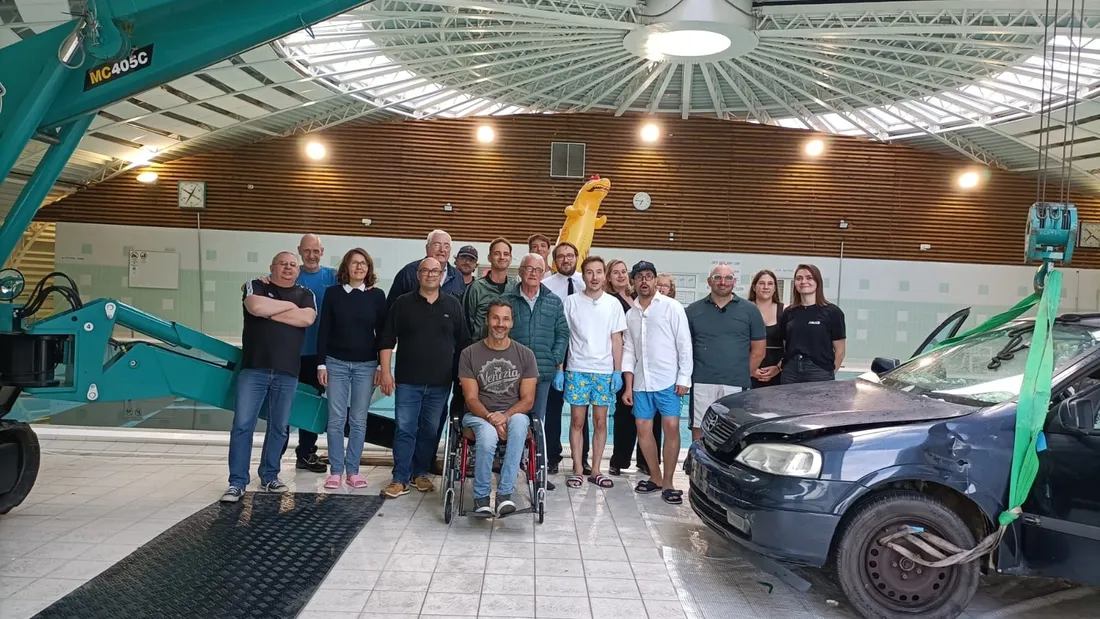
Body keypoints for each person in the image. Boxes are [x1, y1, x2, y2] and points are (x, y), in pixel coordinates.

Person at [222, 252, 317, 503]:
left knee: (279, 426)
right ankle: (237, 482)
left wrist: (269, 311)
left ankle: (270, 475)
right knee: (243, 425)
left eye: (292, 265)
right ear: (272, 267)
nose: (288, 268)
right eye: (283, 264)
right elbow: (255, 306)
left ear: (298, 271)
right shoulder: (256, 285)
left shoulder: (306, 294)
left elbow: (307, 318)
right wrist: (288, 309)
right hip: (255, 368)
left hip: (287, 371)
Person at [377, 257, 468, 498]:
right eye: (425, 270)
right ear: (418, 275)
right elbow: (386, 339)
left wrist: (462, 379)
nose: (430, 274)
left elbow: (463, 345)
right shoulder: (402, 304)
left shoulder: (453, 305)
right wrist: (386, 372)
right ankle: (400, 478)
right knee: (405, 429)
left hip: (440, 382)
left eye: (435, 271)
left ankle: (420, 473)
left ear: (442, 275)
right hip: (408, 380)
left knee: (429, 430)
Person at [458, 301, 539, 516]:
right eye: (495, 318)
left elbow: (528, 399)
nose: (499, 324)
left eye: (505, 319)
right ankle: (481, 498)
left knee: (521, 422)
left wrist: (505, 416)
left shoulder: (525, 355)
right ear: (487, 320)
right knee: (486, 435)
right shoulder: (469, 354)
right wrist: (491, 418)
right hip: (479, 415)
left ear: (511, 322)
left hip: (512, 414)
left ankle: (505, 495)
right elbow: (471, 398)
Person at [622, 260, 692, 505]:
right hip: (642, 382)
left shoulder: (672, 307)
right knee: (643, 429)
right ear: (634, 281)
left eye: (648, 276)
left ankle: (670, 481)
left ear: (654, 280)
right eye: (639, 276)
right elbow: (629, 351)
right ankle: (656, 476)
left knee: (671, 426)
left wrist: (684, 378)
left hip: (668, 380)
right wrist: (628, 385)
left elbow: (684, 344)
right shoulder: (631, 314)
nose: (644, 281)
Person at [316, 248, 387, 490]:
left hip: (366, 366)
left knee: (358, 419)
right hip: (335, 362)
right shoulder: (333, 294)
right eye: (355, 263)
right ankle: (336, 471)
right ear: (346, 267)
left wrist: (380, 365)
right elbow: (323, 330)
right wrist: (321, 363)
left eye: (364, 264)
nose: (359, 267)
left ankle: (353, 471)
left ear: (369, 269)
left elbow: (383, 335)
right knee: (336, 419)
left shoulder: (377, 296)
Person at [505, 253, 568, 491]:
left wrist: (554, 359)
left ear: (544, 274)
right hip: (512, 374)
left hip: (541, 374)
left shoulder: (553, 302)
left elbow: (563, 333)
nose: (533, 273)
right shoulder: (507, 300)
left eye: (538, 270)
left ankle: (536, 471)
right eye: (528, 269)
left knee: (537, 423)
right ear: (520, 272)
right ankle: (513, 468)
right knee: (514, 420)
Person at [562, 256, 625, 489]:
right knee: (577, 421)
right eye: (589, 272)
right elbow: (564, 338)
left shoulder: (613, 304)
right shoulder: (571, 302)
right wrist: (562, 369)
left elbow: (617, 339)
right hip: (578, 368)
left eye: (599, 272)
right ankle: (578, 469)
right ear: (583, 275)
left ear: (604, 276)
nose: (594, 277)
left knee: (600, 422)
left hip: (603, 371)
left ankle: (596, 469)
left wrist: (617, 371)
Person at [686, 264, 765, 442]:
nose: (723, 282)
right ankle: (699, 466)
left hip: (736, 384)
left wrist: (741, 374)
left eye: (728, 278)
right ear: (709, 281)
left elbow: (759, 351)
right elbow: (684, 349)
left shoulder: (750, 310)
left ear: (734, 282)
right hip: (702, 381)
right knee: (700, 429)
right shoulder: (693, 311)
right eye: (717, 278)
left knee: (734, 432)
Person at [278, 234, 337, 473]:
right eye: (307, 251)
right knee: (283, 404)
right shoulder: (291, 275)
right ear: (299, 252)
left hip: (318, 354)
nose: (311, 256)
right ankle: (274, 457)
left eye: (316, 251)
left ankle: (306, 452)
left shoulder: (332, 276)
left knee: (311, 403)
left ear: (322, 251)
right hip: (289, 352)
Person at [542, 242, 589, 475]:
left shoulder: (587, 282)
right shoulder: (545, 286)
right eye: (561, 257)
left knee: (582, 409)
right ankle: (552, 455)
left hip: (583, 355)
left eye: (570, 256)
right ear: (555, 260)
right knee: (553, 408)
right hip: (555, 354)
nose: (566, 260)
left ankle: (584, 457)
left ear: (577, 257)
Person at [604, 258, 649, 477]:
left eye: (623, 272)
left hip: (646, 363)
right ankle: (619, 459)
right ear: (608, 277)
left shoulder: (638, 298)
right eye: (615, 272)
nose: (621, 276)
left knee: (649, 413)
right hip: (623, 362)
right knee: (625, 411)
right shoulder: (610, 301)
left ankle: (646, 459)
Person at [779, 264, 846, 384]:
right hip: (790, 372)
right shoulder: (788, 312)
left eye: (809, 278)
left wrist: (828, 374)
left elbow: (840, 351)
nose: (803, 281)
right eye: (799, 278)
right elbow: (785, 345)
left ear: (817, 282)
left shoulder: (832, 312)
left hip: (819, 372)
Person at [387, 229, 466, 306]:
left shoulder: (457, 276)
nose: (442, 250)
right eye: (437, 245)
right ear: (427, 248)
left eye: (446, 246)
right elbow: (392, 307)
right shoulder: (409, 272)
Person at [463, 237, 513, 339]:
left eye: (506, 254)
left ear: (510, 259)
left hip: (508, 350)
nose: (502, 257)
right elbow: (466, 323)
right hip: (480, 348)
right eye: (497, 253)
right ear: (489, 257)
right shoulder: (476, 287)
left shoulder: (515, 287)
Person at [749, 269, 785, 388]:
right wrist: (751, 370)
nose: (766, 287)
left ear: (775, 288)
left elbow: (791, 345)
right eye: (761, 283)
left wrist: (778, 368)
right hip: (748, 372)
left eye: (770, 284)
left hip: (777, 373)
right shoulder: (744, 310)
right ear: (754, 287)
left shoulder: (785, 311)